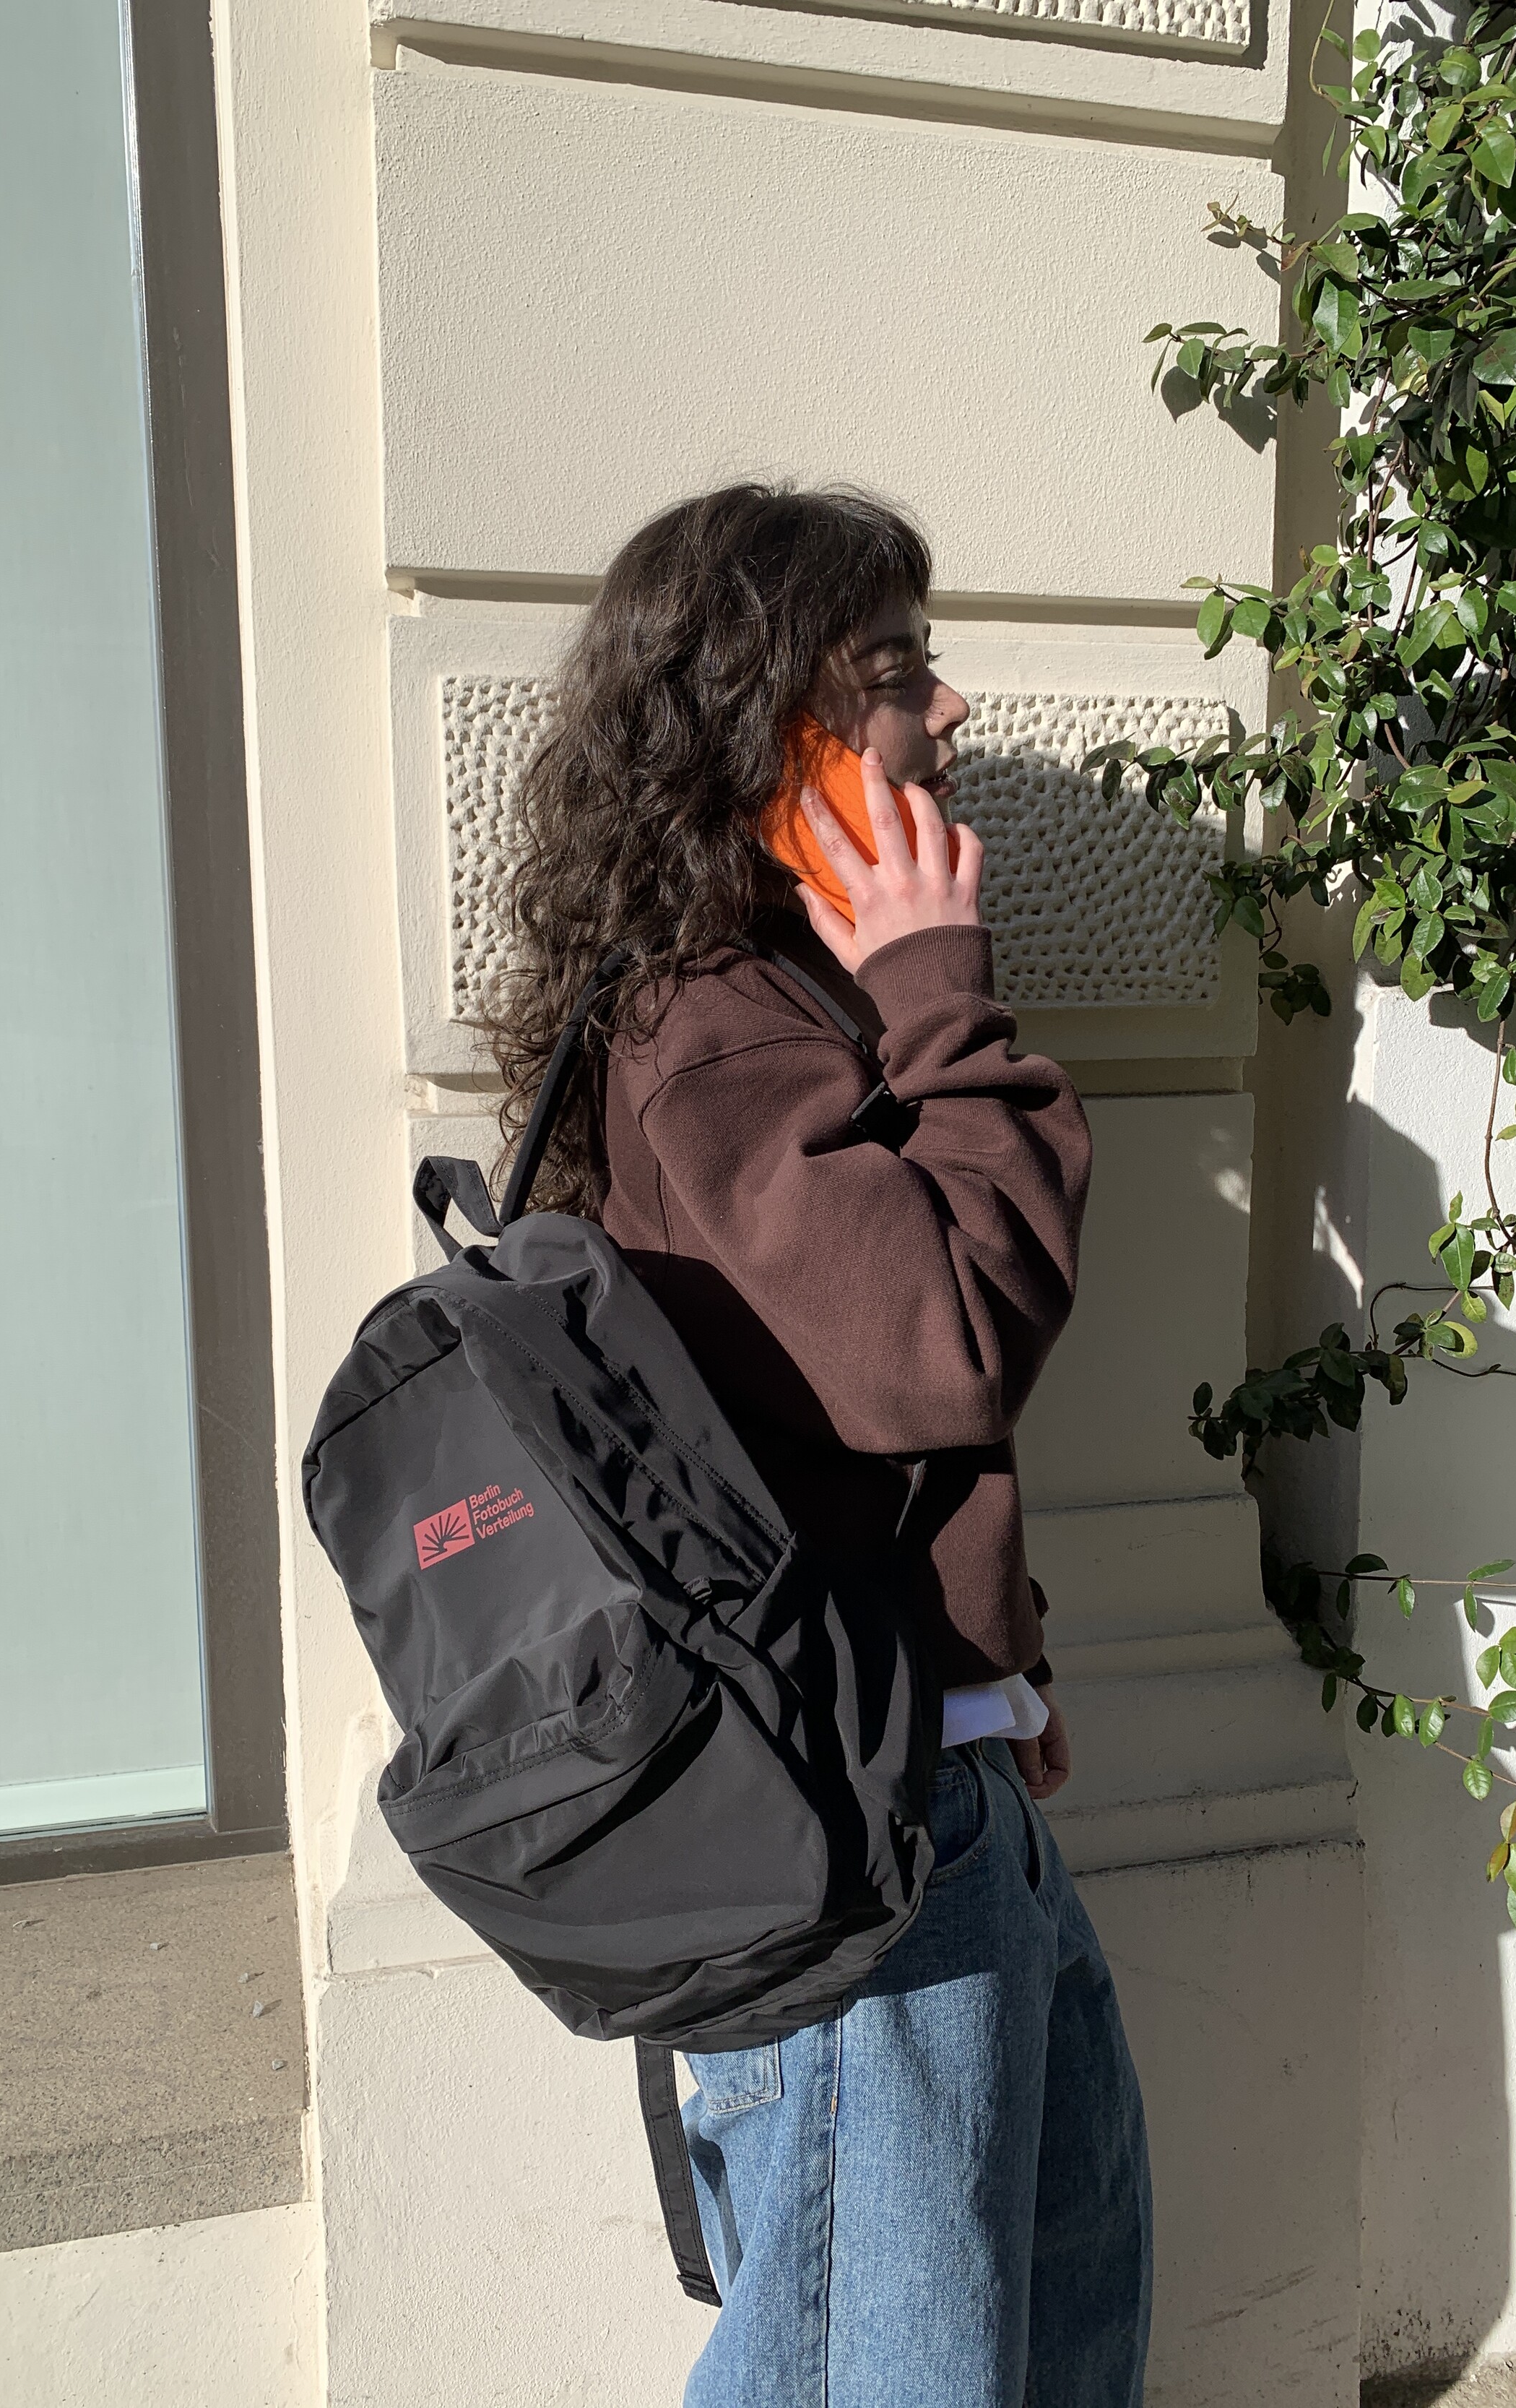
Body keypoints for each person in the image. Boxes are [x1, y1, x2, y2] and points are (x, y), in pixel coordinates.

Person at [488, 483, 1151, 2408]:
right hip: (859, 1848)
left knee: (1044, 2320)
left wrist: (993, 1653)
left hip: (925, 1779)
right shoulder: (719, 1026)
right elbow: (942, 1351)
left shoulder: (770, 994)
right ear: (766, 718)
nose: (949, 712)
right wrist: (943, 996)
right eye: (896, 670)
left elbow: (839, 1415)